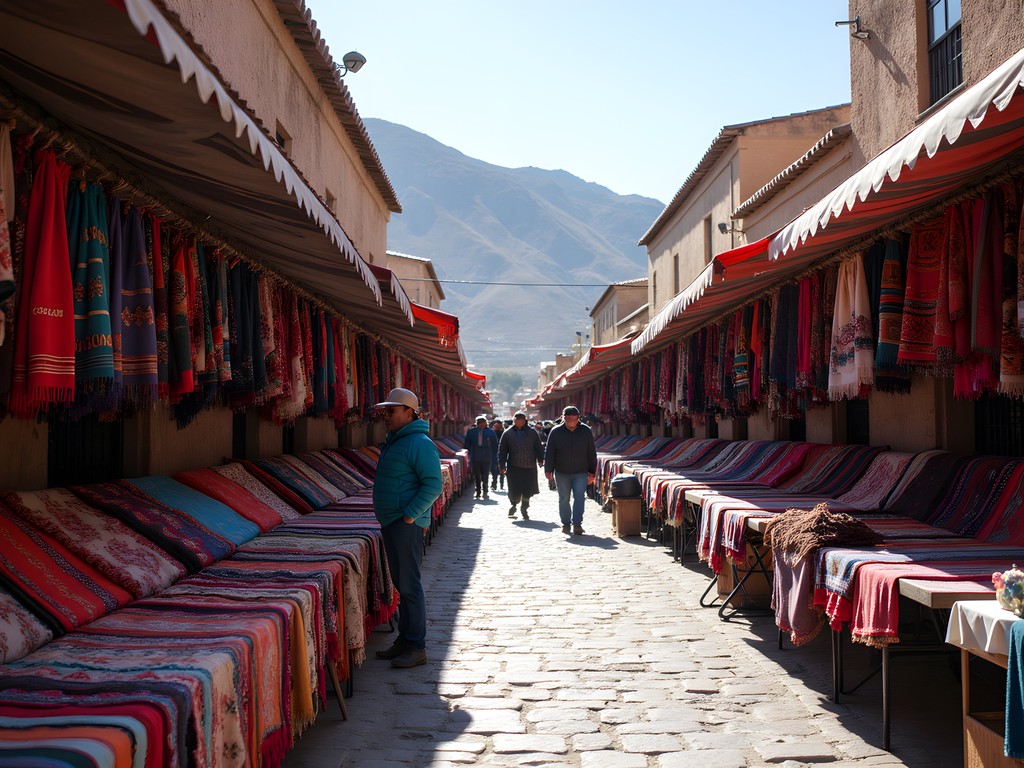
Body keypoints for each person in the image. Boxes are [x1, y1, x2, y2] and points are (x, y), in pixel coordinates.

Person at [372, 387, 442, 669]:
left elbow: (433, 484)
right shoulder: (397, 440)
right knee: (402, 585)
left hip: (405, 524)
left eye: (391, 411)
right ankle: (405, 639)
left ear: (408, 412)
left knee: (410, 585)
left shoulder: (419, 443)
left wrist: (411, 515)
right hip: (393, 521)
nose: (386, 416)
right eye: (385, 411)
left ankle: (417, 646)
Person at [543, 405, 597, 535]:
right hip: (562, 472)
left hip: (581, 471)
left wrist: (592, 471)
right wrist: (548, 469)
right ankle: (566, 523)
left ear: (578, 418)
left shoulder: (585, 431)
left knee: (579, 497)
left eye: (574, 419)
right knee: (564, 498)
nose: (572, 421)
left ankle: (577, 524)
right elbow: (550, 452)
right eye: (569, 419)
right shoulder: (556, 432)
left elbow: (591, 452)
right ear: (564, 418)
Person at [498, 411, 544, 520]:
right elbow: (502, 450)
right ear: (514, 420)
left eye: (521, 420)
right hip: (514, 467)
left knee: (527, 489)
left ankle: (524, 508)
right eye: (517, 419)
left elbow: (538, 446)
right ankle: (514, 504)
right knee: (514, 489)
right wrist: (501, 464)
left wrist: (541, 459)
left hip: (529, 466)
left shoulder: (532, 432)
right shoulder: (508, 433)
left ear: (525, 421)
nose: (519, 422)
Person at [464, 416, 497, 499]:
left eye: (484, 423)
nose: (483, 424)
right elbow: (467, 444)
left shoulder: (491, 432)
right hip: (475, 455)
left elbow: (495, 445)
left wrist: (494, 456)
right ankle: (478, 490)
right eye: (481, 423)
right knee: (477, 475)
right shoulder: (472, 432)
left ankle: (485, 491)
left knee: (485, 475)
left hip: (487, 456)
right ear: (477, 423)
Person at [490, 419, 505, 491]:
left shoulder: (504, 432)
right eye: (496, 425)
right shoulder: (492, 433)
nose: (497, 426)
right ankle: (494, 484)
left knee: (502, 469)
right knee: (494, 470)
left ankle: (501, 484)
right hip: (494, 454)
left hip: (502, 453)